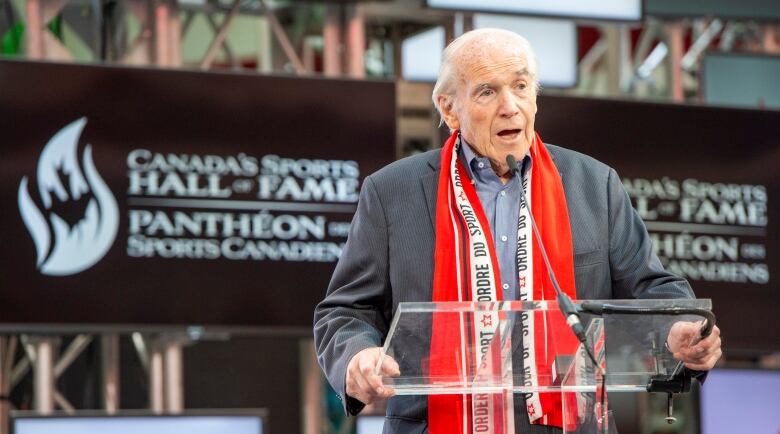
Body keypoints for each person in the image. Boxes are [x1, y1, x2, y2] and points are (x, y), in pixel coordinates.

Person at [314, 28, 722, 434]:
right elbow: (345, 310)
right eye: (487, 92)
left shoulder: (594, 185)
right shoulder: (391, 193)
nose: (510, 107)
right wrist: (358, 355)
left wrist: (679, 328)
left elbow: (653, 288)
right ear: (449, 107)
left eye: (521, 86)